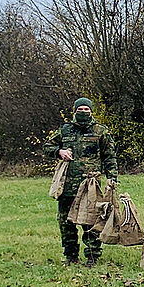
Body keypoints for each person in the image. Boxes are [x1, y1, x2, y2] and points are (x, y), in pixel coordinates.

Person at [43, 97, 118, 266]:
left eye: (86, 109)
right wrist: (59, 151)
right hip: (67, 186)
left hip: (90, 186)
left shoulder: (100, 131)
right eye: (80, 109)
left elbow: (109, 157)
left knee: (90, 222)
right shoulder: (65, 130)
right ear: (75, 111)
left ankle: (92, 257)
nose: (83, 112)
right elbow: (47, 147)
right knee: (66, 223)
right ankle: (71, 257)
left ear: (91, 111)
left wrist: (111, 179)